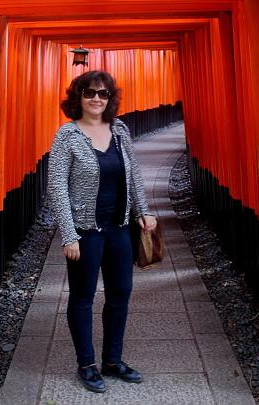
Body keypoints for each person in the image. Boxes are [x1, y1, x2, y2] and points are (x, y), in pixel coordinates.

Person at [47, 70, 158, 393]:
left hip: (119, 228)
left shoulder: (120, 130)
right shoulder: (67, 136)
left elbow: (134, 175)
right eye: (90, 92)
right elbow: (57, 188)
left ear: (110, 99)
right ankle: (87, 364)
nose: (97, 98)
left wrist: (144, 211)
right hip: (86, 231)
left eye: (103, 93)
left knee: (120, 293)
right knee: (82, 298)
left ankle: (112, 360)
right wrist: (69, 234)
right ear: (78, 97)